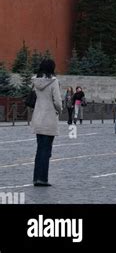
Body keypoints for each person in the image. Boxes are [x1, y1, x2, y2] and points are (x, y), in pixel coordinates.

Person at [31, 58, 62, 187]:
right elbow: (58, 101)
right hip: (49, 119)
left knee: (39, 149)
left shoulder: (35, 81)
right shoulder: (54, 82)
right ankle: (42, 178)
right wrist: (59, 110)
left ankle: (36, 178)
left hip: (37, 118)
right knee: (46, 150)